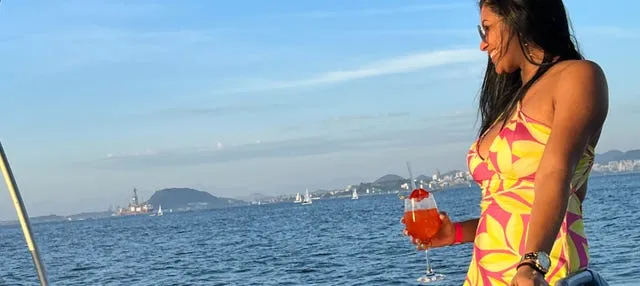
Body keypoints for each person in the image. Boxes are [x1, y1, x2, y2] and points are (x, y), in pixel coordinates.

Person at [402, 0, 609, 285]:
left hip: (540, 271)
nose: (483, 45)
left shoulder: (577, 76)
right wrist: (456, 233)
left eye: (487, 29)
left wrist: (533, 265)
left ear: (518, 16)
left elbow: (555, 175)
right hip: (487, 273)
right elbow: (505, 208)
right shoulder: (509, 104)